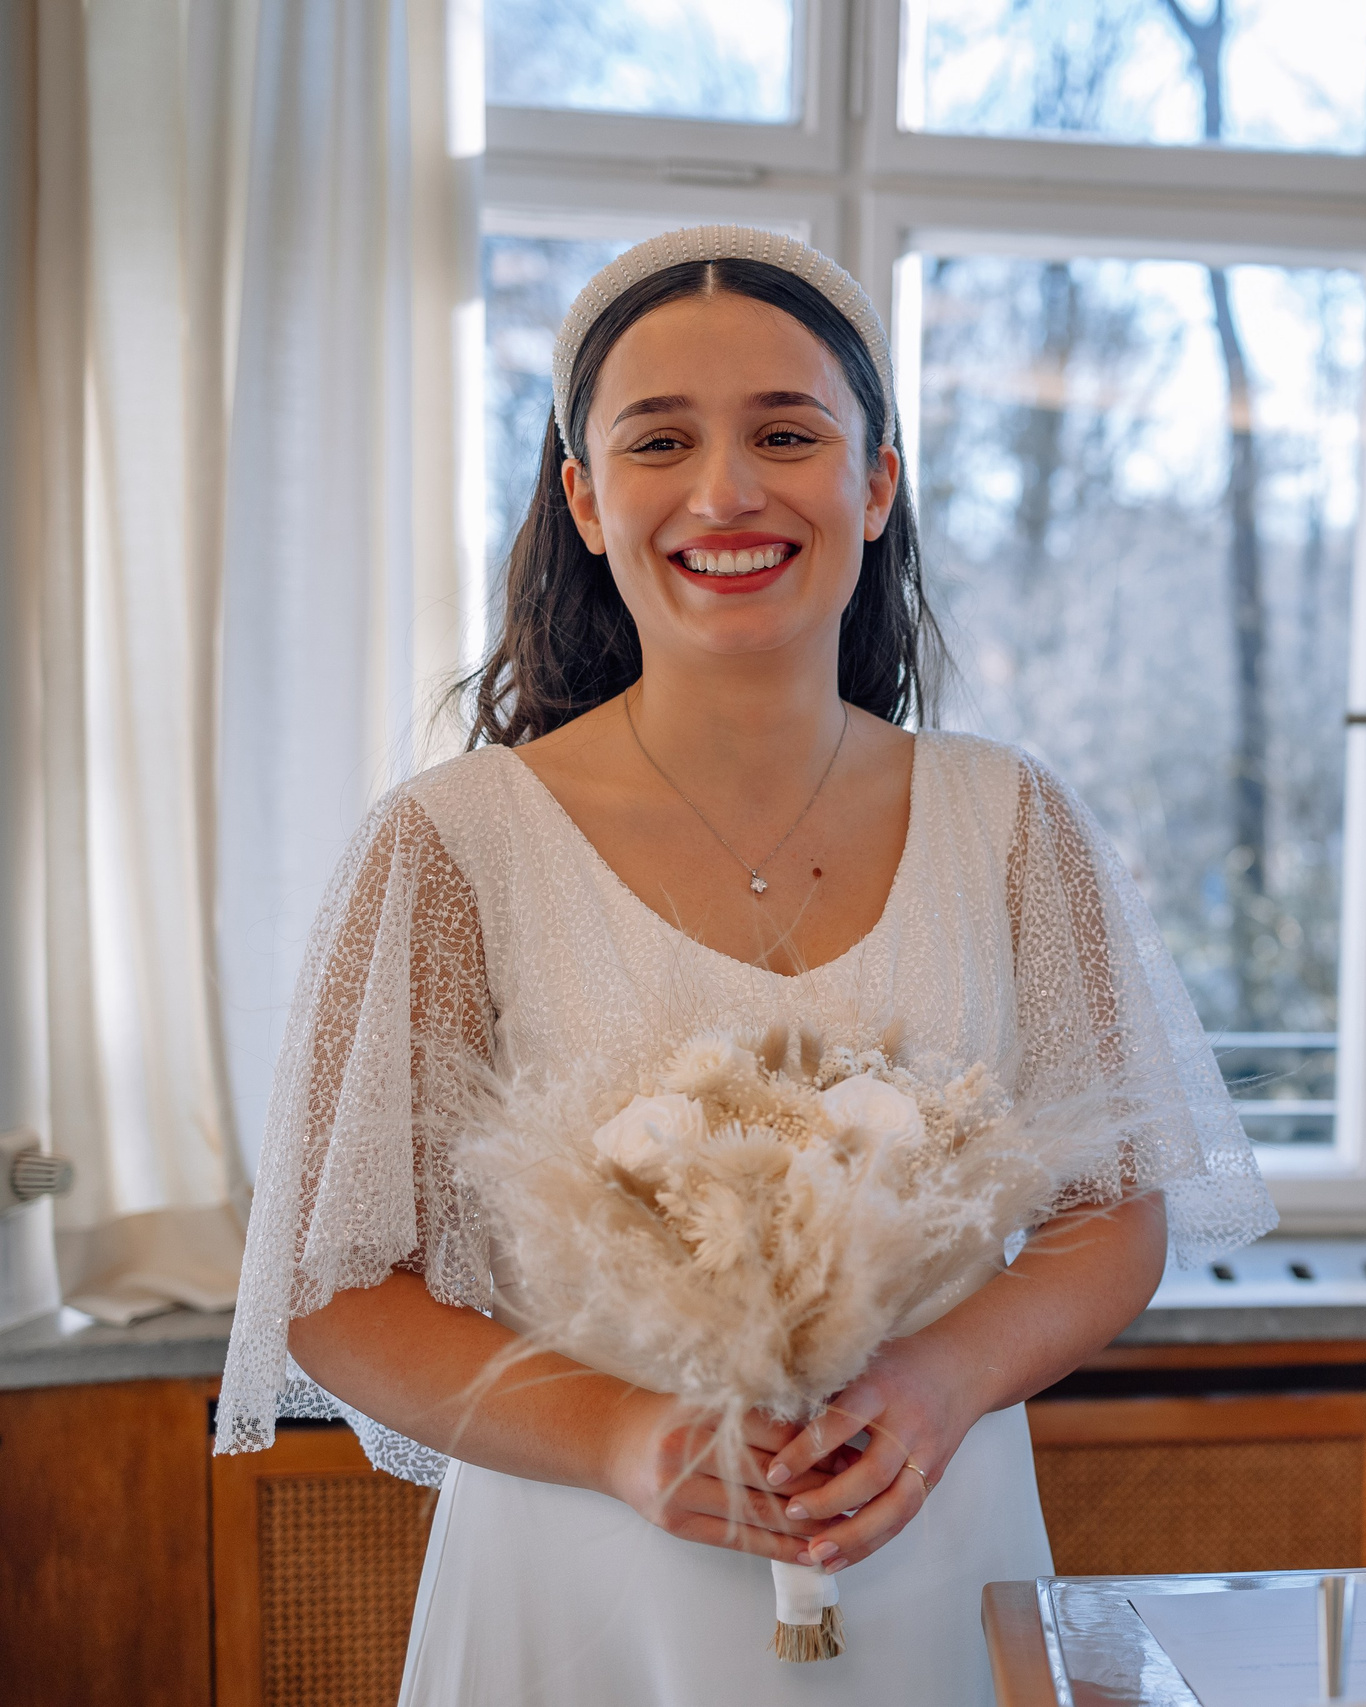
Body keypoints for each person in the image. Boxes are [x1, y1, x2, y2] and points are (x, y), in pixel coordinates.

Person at [214, 226, 1275, 1705]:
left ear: (876, 482)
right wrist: (615, 1438)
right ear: (586, 500)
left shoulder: (1013, 822)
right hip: (582, 1582)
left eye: (789, 433)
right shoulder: (450, 846)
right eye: (660, 442)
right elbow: (336, 1291)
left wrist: (940, 1381)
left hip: (933, 1547)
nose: (726, 491)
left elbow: (1114, 1216)